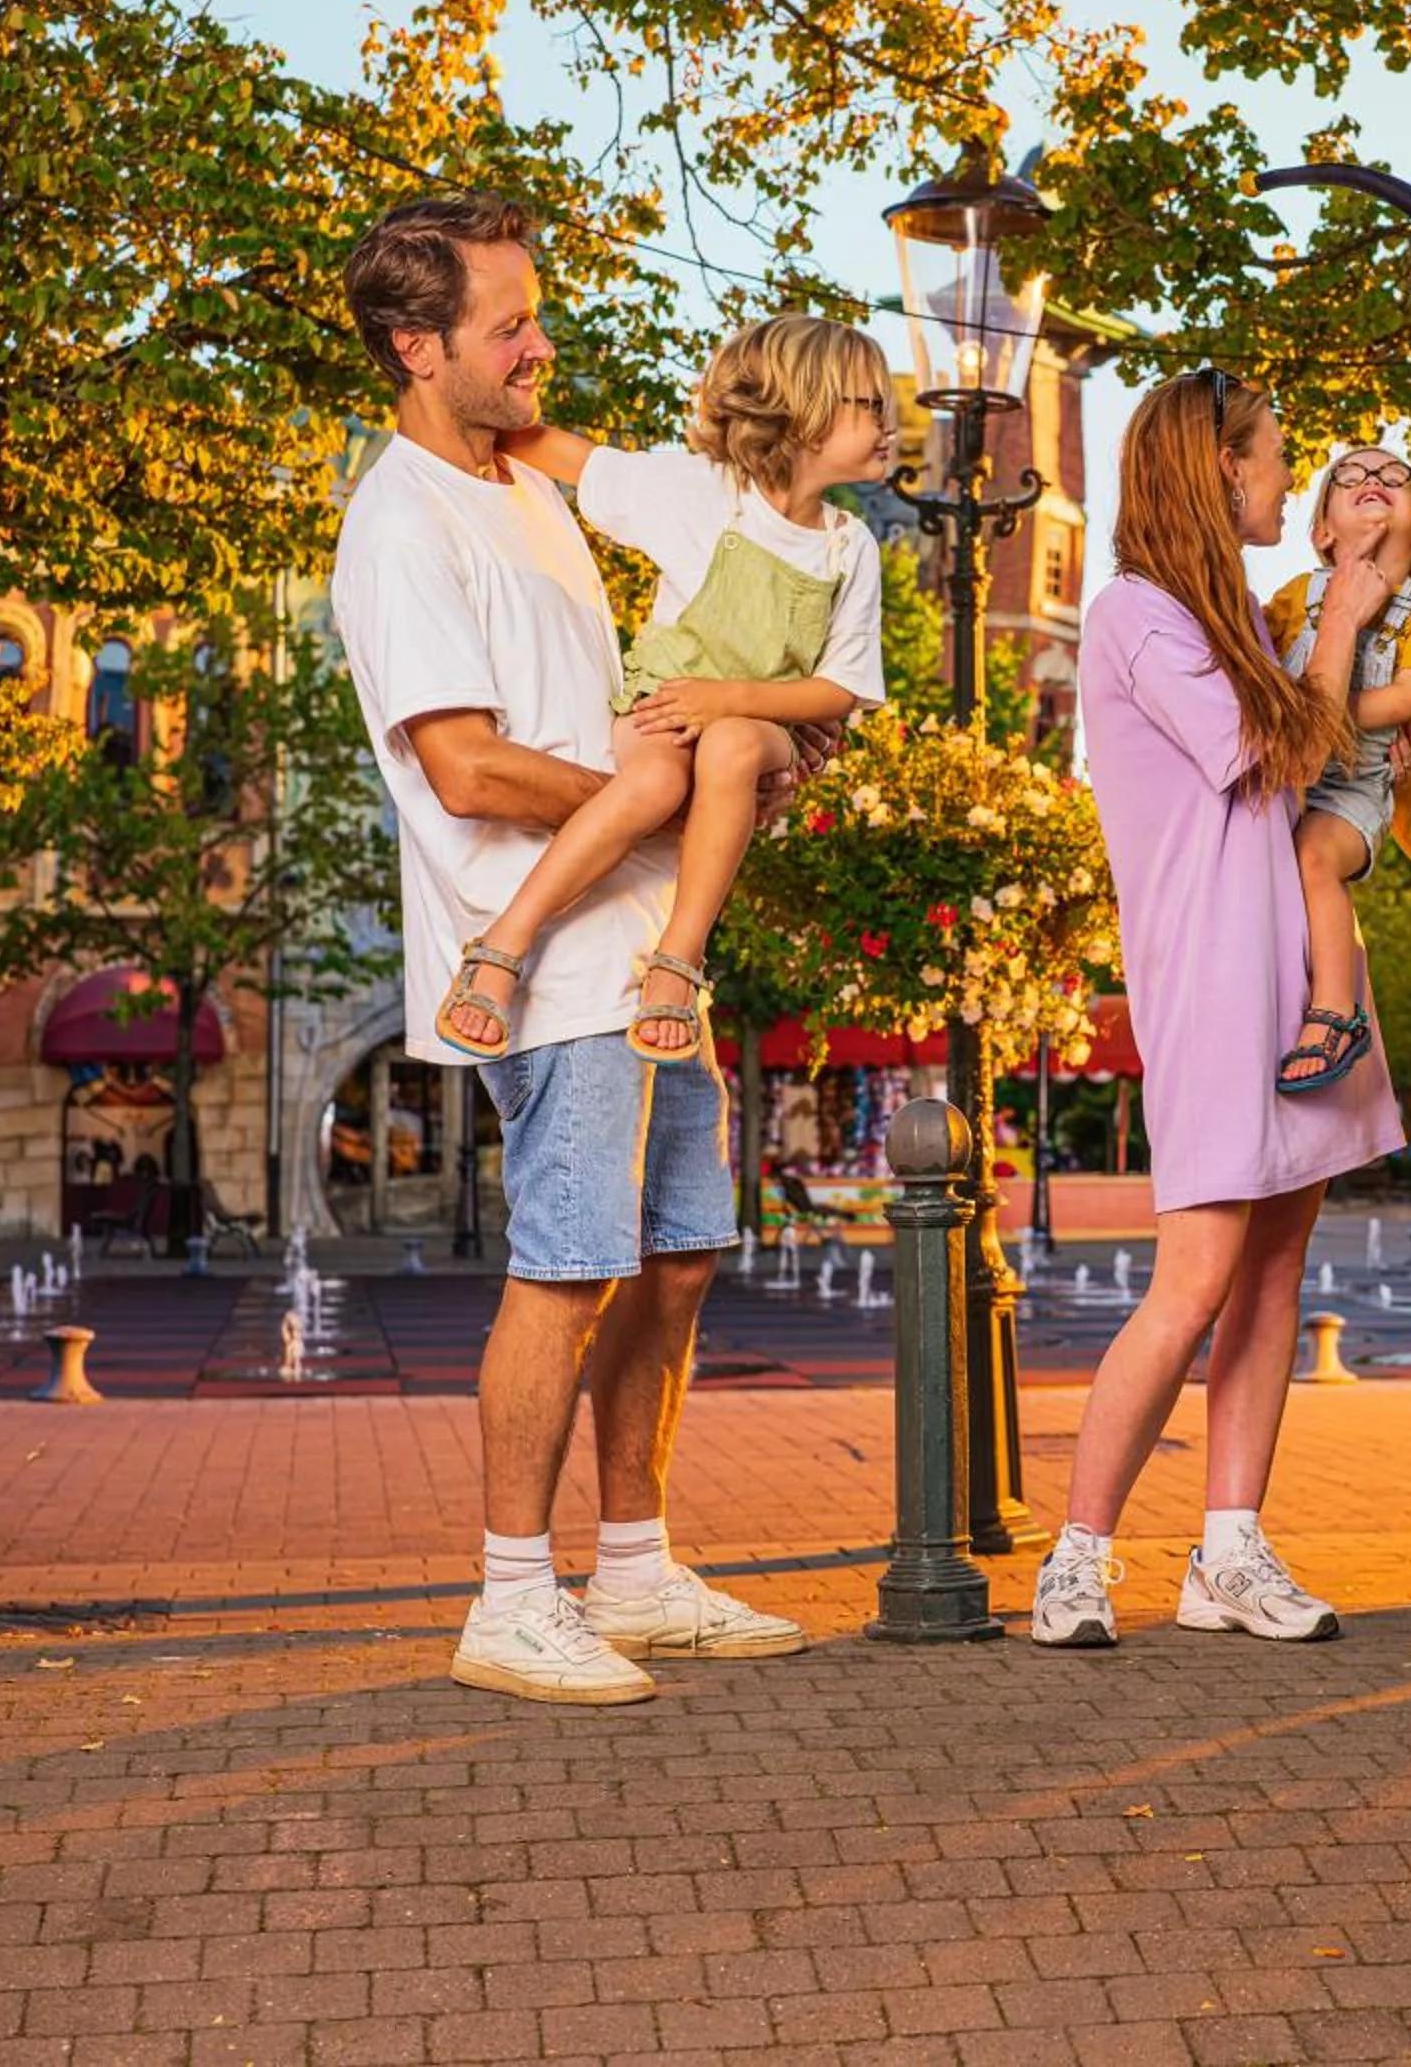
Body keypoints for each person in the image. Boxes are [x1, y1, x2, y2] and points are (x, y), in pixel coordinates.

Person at [332, 193, 811, 1705]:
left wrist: (726, 764)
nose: (541, 343)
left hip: (650, 949)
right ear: (418, 347)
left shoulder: (526, 491)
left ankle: (640, 1566)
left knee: (673, 1261)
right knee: (570, 1267)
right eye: (508, 323)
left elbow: (629, 710)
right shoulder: (401, 520)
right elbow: (469, 768)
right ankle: (508, 1595)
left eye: (536, 312)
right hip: (539, 969)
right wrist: (653, 797)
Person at [1033, 370, 1407, 1649]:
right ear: (1216, 469)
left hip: (1298, 972)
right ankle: (1077, 1559)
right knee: (1193, 1283)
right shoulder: (1136, 613)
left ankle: (1229, 1553)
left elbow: (1320, 751)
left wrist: (1347, 626)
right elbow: (1269, 750)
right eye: (1275, 457)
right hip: (1210, 977)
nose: (1290, 481)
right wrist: (1348, 615)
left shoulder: (1237, 608)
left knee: (1275, 1276)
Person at [435, 315, 891, 1063]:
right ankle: (503, 943)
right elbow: (577, 460)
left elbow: (839, 688)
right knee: (648, 788)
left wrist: (727, 700)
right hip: (666, 700)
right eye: (868, 405)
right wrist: (474, 415)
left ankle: (678, 959)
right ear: (803, 414)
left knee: (737, 744)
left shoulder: (849, 548)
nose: (889, 425)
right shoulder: (705, 495)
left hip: (761, 720)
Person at [1261, 447, 1411, 1092]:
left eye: (1392, 477)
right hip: (1284, 776)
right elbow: (1254, 669)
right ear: (1322, 531)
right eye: (1349, 477)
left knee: (1316, 856)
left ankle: (1334, 1013)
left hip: (1353, 788)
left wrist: (1315, 706)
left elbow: (1407, 698)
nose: (1371, 480)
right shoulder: (1295, 596)